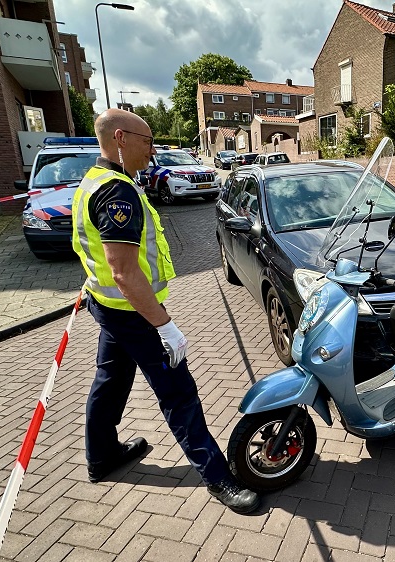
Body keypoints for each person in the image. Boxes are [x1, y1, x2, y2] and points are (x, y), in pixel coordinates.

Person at [71, 108, 259, 514]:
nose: (152, 151)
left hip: (106, 306)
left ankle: (102, 457)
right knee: (179, 393)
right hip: (131, 312)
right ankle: (217, 477)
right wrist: (165, 326)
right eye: (147, 141)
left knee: (111, 380)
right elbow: (123, 271)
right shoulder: (116, 192)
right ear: (120, 138)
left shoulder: (93, 181)